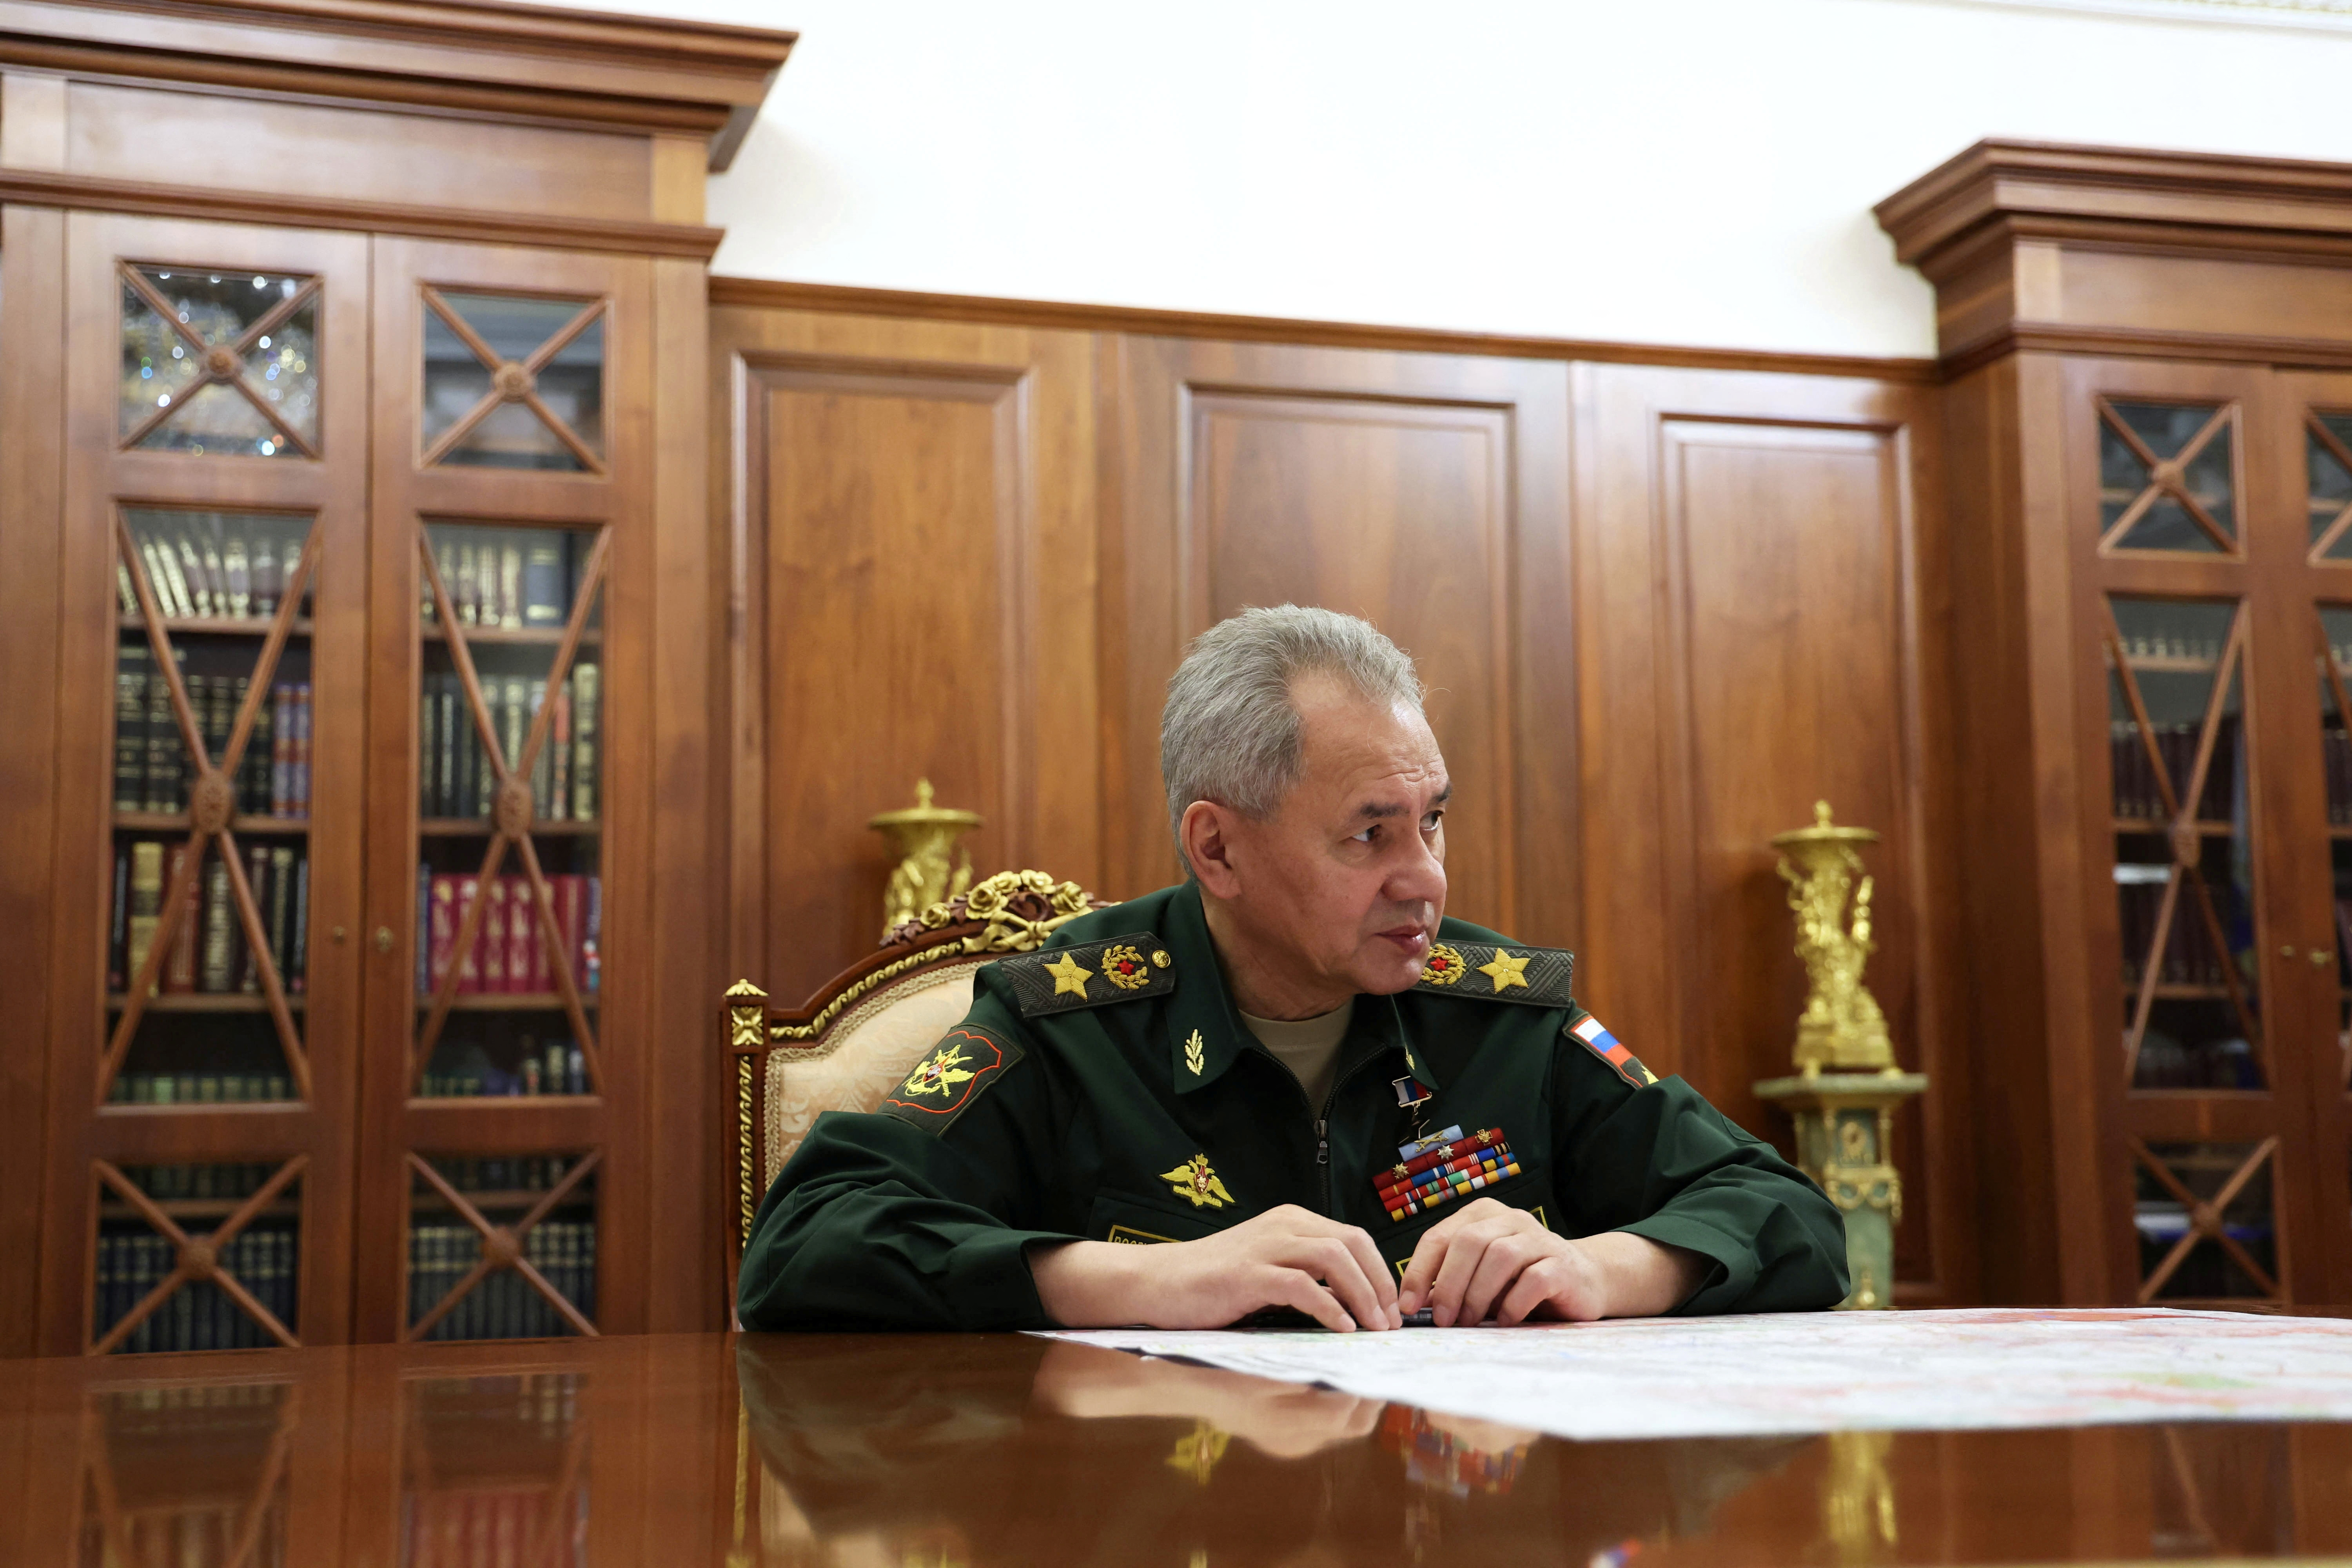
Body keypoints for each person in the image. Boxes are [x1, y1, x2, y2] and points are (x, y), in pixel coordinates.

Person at [736, 606, 1847, 1332]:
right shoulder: (1073, 1018)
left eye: (1433, 821)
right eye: (1370, 834)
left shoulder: (1498, 1016)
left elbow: (1785, 1212)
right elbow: (803, 1245)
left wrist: (1605, 1268)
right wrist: (1146, 1282)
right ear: (1217, 849)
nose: (1425, 880)